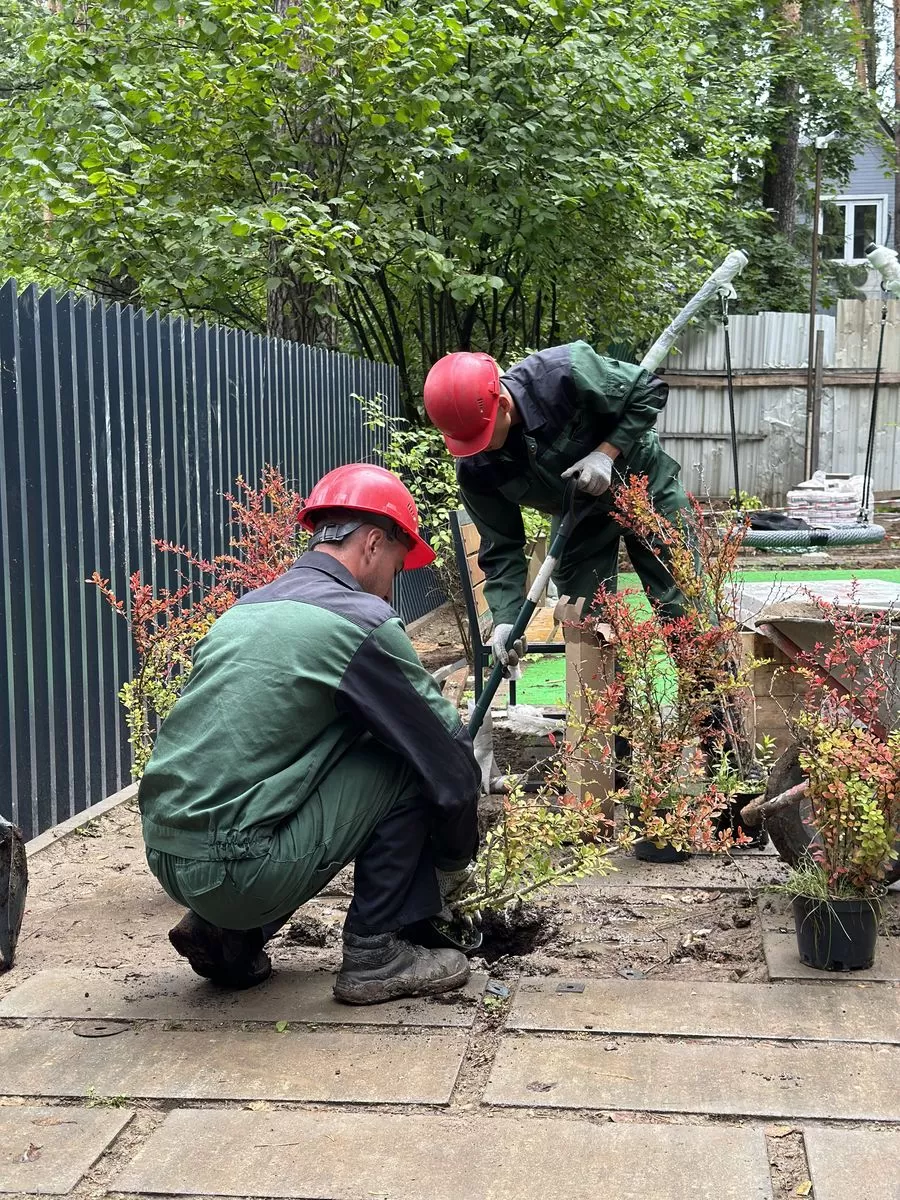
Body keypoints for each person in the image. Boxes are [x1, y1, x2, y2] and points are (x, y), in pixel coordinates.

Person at [137, 463, 481, 1005]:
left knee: (331, 749)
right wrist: (455, 860)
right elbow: (449, 763)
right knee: (406, 759)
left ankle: (224, 935)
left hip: (166, 853)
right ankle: (376, 955)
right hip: (240, 871)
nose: (392, 586)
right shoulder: (357, 621)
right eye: (396, 565)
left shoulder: (249, 609)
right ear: (372, 543)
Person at [423, 343, 691, 673]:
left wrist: (606, 453)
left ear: (503, 405)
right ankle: (611, 719)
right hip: (580, 517)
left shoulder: (565, 373)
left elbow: (648, 391)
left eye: (480, 437)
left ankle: (714, 718)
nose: (475, 449)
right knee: (584, 623)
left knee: (684, 608)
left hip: (645, 487)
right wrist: (506, 621)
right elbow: (501, 547)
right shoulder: (476, 467)